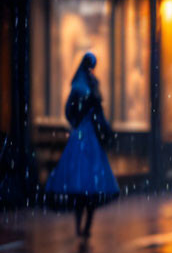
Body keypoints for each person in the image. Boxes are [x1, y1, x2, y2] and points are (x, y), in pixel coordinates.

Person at [45, 52, 119, 238]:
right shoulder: (86, 85)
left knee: (82, 185)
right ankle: (83, 226)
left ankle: (83, 226)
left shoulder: (83, 84)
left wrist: (80, 122)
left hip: (84, 137)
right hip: (87, 137)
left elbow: (76, 111)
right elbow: (86, 111)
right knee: (87, 186)